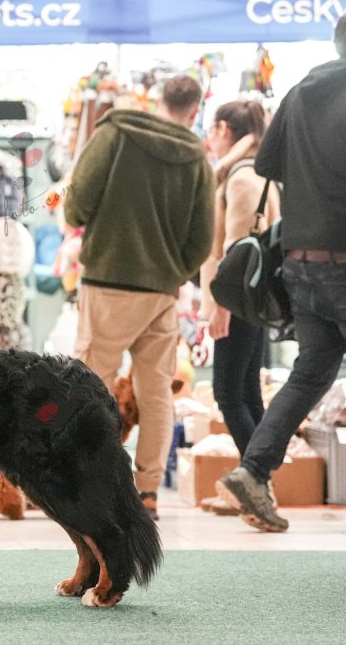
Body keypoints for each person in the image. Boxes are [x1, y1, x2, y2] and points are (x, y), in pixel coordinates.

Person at [217, 6, 346, 533]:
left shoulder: (298, 94)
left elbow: (266, 164)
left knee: (311, 371)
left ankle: (253, 471)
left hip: (298, 265)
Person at [64, 75, 215, 520]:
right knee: (156, 394)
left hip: (106, 283)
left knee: (90, 388)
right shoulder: (196, 158)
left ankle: (90, 485)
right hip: (160, 293)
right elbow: (201, 240)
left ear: (158, 100)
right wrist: (171, 272)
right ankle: (147, 492)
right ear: (195, 109)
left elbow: (77, 203)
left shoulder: (115, 133)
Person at [200, 100, 280, 458]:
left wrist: (222, 306)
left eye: (212, 130)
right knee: (246, 392)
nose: (211, 139)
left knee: (228, 393)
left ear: (224, 130)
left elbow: (238, 253)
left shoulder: (242, 178)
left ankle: (256, 474)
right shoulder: (254, 171)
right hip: (250, 300)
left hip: (239, 301)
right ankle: (262, 476)